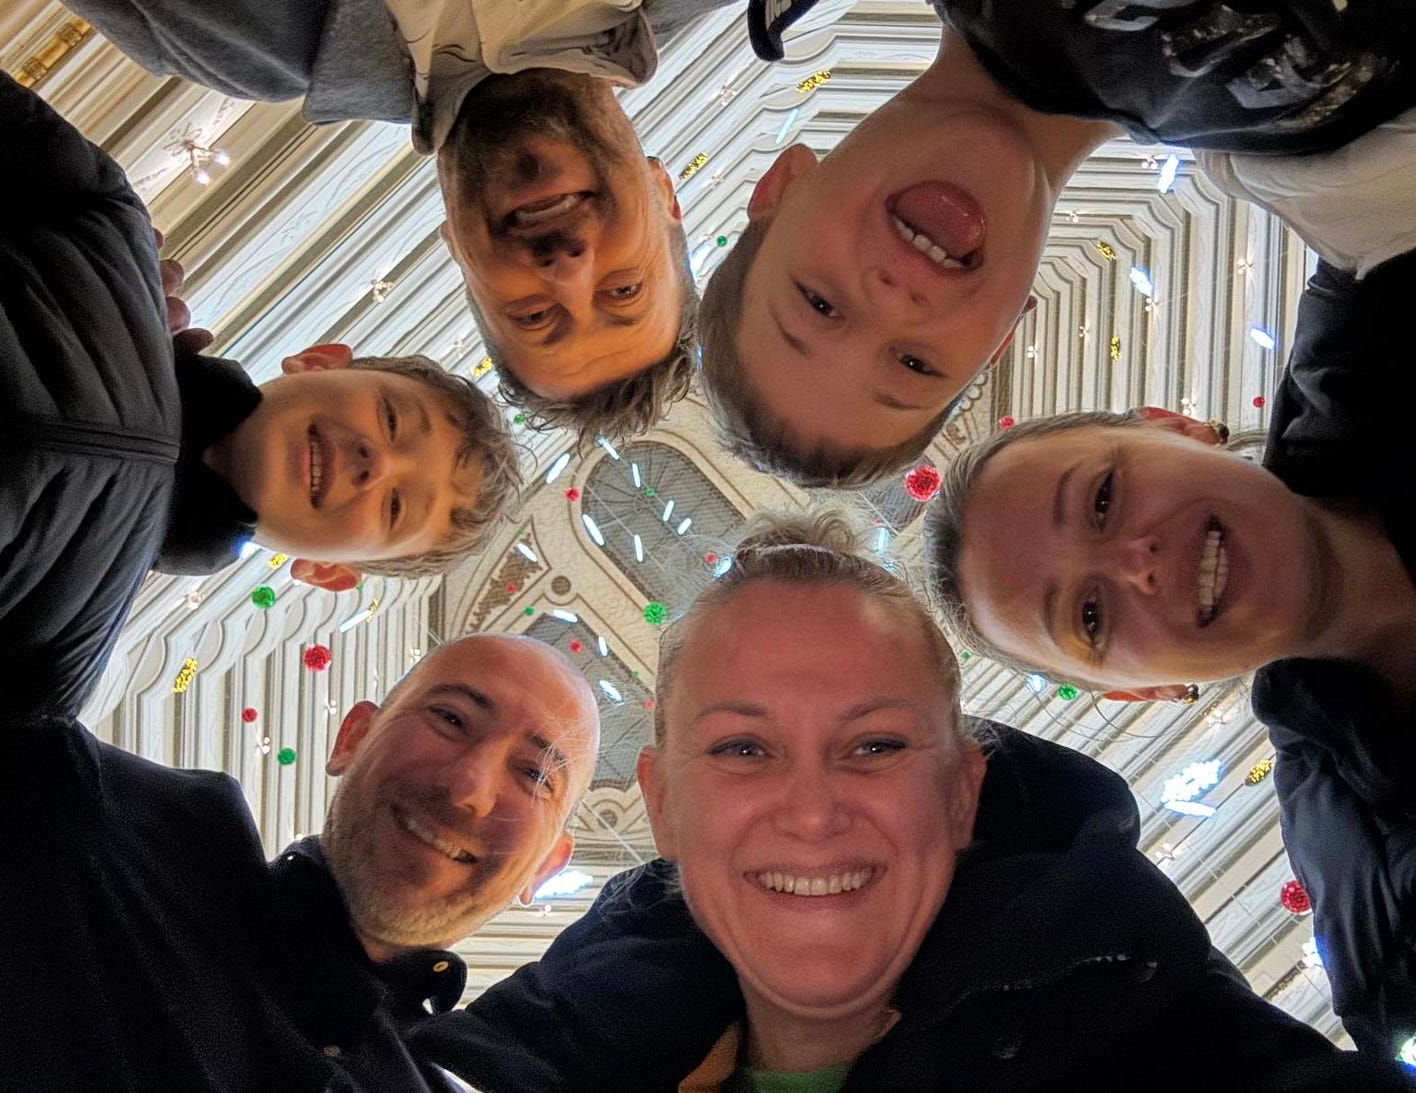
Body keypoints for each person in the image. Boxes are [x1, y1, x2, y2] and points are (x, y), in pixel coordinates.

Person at [412, 513, 1415, 1091]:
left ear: (961, 791)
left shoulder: (1147, 1022)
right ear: (664, 807)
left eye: (875, 745)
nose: (812, 812)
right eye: (744, 748)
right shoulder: (498, 1061)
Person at [921, 245, 1416, 1056]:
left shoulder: (1381, 284)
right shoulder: (1389, 928)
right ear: (1140, 689)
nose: (1138, 564)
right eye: (1089, 615)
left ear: (1170, 425)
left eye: (1103, 498)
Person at [0, 42, 518, 719]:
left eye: (397, 507)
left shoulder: (51, 672)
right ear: (320, 359)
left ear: (328, 572)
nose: (376, 464)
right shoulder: (108, 226)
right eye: (393, 420)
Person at [696, 1, 1416, 487]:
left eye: (819, 304)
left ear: (781, 186)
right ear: (1002, 338)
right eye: (915, 364)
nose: (893, 301)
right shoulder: (1318, 156)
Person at [60, 0, 734, 439]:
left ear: (457, 249)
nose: (568, 269)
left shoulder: (223, 35)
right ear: (664, 195)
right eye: (624, 289)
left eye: (533, 315)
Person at [0, 631, 601, 1092]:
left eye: (535, 775)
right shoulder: (129, 827)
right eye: (450, 718)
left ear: (546, 867)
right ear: (353, 737)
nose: (468, 787)